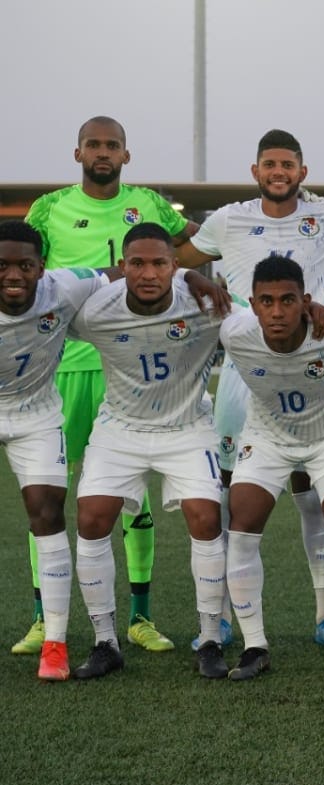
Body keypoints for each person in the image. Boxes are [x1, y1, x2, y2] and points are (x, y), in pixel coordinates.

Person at [15, 116, 199, 656]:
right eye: (93, 145)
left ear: (126, 154)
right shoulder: (48, 208)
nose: (103, 152)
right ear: (78, 153)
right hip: (62, 367)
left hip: (129, 365)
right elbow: (24, 265)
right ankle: (42, 618)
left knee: (132, 497)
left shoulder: (150, 204)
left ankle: (140, 616)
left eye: (112, 145)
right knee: (47, 498)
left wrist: (190, 276)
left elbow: (197, 244)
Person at [176, 129, 324, 651]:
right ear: (255, 171)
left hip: (312, 366)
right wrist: (192, 277)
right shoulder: (228, 220)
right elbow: (177, 258)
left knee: (314, 499)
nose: (279, 172)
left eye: (288, 164)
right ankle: (224, 617)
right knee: (230, 497)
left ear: (303, 172)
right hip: (247, 369)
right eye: (270, 164)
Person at [68, 223, 230, 679]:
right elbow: (48, 314)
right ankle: (105, 642)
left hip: (186, 426)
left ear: (175, 266)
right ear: (122, 267)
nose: (148, 273)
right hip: (121, 428)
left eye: (160, 263)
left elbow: (261, 317)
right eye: (137, 263)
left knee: (206, 517)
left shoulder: (205, 305)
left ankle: (211, 639)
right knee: (91, 517)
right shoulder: (96, 311)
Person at [220, 255, 324, 681]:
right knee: (241, 526)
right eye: (266, 301)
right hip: (267, 437)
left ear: (305, 301)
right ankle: (254, 646)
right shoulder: (235, 333)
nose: (276, 311)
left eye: (288, 300)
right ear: (252, 304)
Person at [0, 221, 111, 680]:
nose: (14, 275)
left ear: (41, 267)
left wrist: (193, 278)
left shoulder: (65, 287)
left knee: (47, 516)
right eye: (2, 265)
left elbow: (124, 274)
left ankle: (55, 644)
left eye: (25, 265)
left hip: (36, 415)